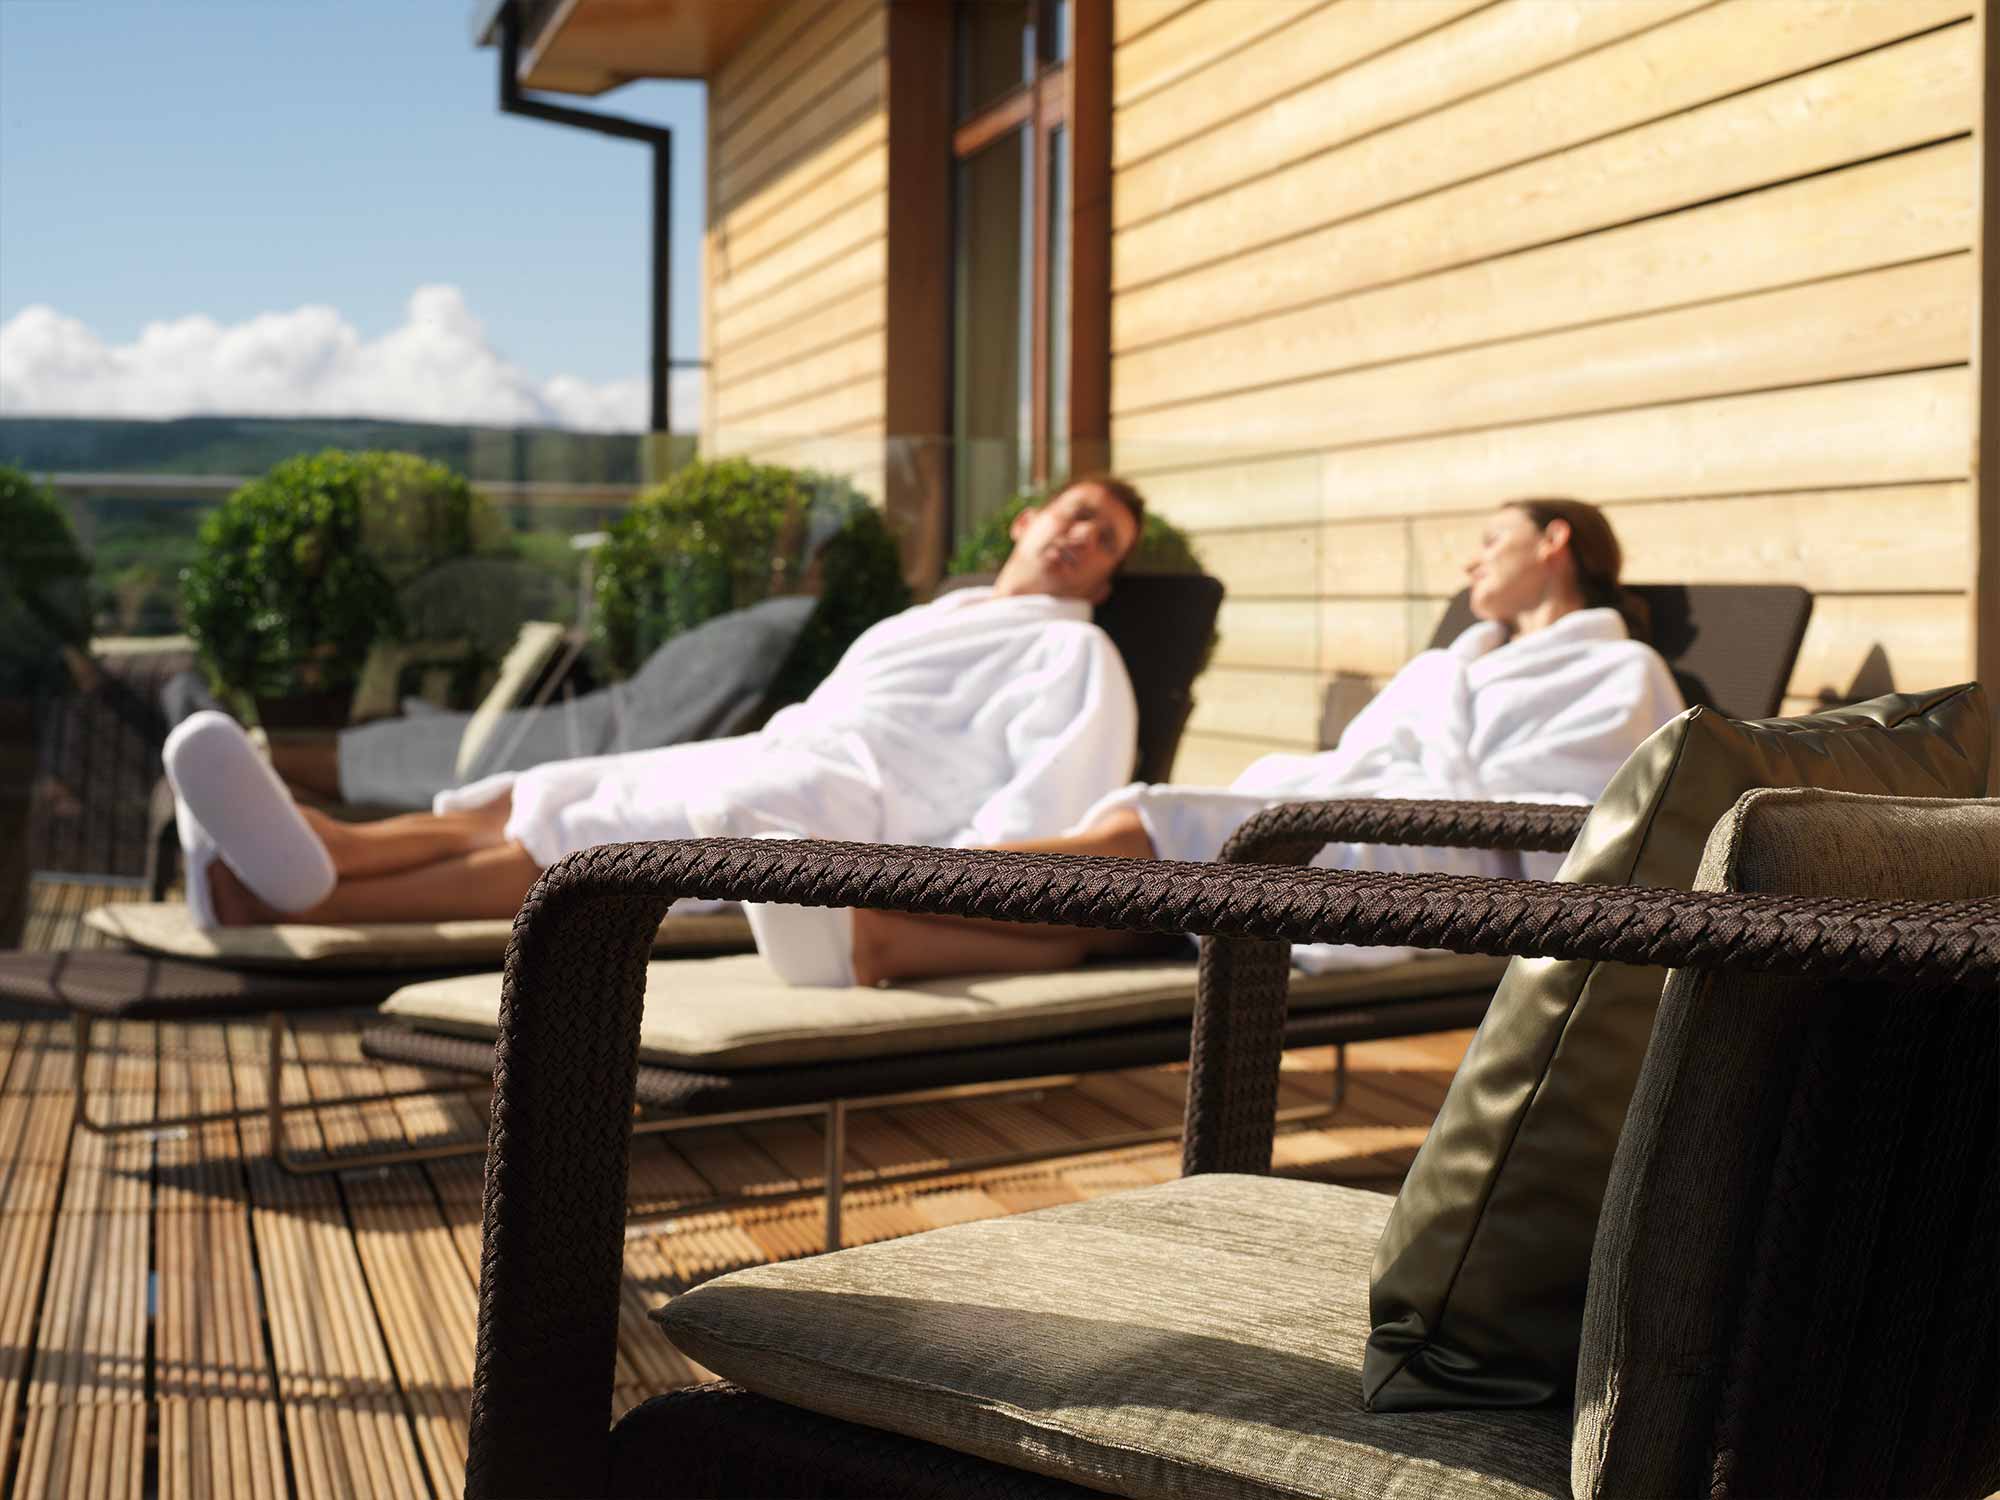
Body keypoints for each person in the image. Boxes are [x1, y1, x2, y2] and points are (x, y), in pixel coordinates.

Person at [751, 497, 1686, 988]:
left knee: (1155, 827)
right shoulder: (1458, 661)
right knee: (1149, 895)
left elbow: (1597, 820)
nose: (1471, 560)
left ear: (1555, 541)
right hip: (1372, 818)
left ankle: (881, 879)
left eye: (1492, 539)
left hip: (1460, 862)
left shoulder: (1623, 669)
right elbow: (1369, 753)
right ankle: (876, 941)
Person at [164, 477, 1148, 929]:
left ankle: (290, 897)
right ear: (1026, 519)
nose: (1079, 539)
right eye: (1074, 516)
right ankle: (326, 844)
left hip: (849, 810)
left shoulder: (1077, 652)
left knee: (597, 838)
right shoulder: (928, 617)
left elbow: (1057, 800)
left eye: (1103, 542)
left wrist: (951, 888)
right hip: (780, 753)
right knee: (545, 786)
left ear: (1102, 581)